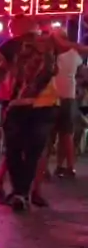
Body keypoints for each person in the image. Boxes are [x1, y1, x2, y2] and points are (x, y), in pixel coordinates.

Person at [0, 18, 87, 212]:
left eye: (12, 27)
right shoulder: (47, 42)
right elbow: (77, 48)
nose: (11, 31)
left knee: (17, 150)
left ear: (19, 27)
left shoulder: (15, 43)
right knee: (32, 152)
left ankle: (22, 193)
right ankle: (24, 192)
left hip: (25, 104)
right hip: (43, 105)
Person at [53, 42, 83, 177]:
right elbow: (82, 72)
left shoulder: (53, 54)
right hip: (68, 96)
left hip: (53, 97)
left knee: (52, 134)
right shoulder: (74, 54)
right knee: (66, 134)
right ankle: (67, 166)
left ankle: (49, 168)